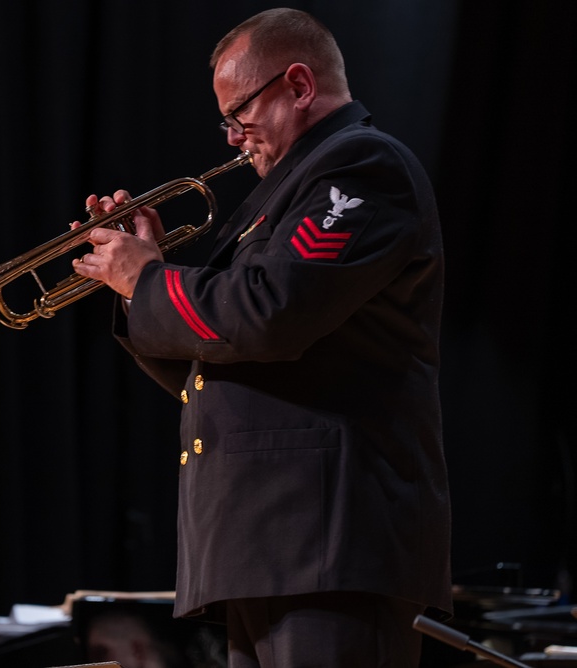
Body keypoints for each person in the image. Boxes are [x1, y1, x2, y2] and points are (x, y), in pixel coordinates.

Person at [72, 8, 451, 667]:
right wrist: (146, 275)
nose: (232, 138)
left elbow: (269, 313)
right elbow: (218, 360)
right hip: (270, 547)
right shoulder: (287, 194)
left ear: (299, 85)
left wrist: (150, 284)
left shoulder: (361, 167)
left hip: (328, 546)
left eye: (239, 113)